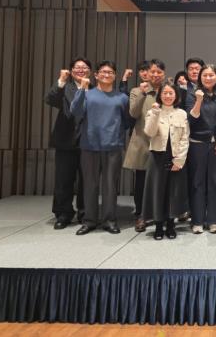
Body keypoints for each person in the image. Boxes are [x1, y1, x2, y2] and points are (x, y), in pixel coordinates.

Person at [71, 60, 130, 235]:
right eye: (103, 72)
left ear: (115, 76)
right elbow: (75, 112)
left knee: (110, 186)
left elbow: (127, 121)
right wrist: (82, 88)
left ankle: (109, 220)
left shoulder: (122, 98)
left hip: (113, 146)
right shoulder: (87, 94)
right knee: (90, 185)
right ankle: (89, 220)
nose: (106, 75)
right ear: (96, 75)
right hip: (89, 146)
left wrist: (115, 134)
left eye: (110, 72)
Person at [45, 57, 92, 229]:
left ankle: (85, 213)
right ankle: (63, 214)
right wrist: (61, 80)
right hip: (66, 140)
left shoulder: (95, 89)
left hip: (88, 142)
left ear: (90, 71)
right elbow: (50, 99)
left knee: (87, 181)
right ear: (71, 71)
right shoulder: (65, 87)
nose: (81, 70)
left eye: (84, 67)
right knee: (63, 180)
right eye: (77, 68)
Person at [123, 59, 167, 232]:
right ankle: (140, 215)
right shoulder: (137, 91)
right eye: (152, 71)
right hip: (143, 141)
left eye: (159, 72)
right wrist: (142, 93)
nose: (155, 75)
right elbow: (133, 113)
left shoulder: (167, 90)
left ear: (164, 74)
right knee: (141, 181)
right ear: (147, 73)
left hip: (163, 142)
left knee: (162, 180)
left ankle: (161, 213)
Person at [142, 83, 189, 240]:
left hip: (175, 156)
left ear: (176, 95)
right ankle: (158, 225)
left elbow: (185, 138)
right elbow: (149, 132)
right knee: (157, 191)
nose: (168, 96)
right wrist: (155, 113)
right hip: (157, 157)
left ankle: (170, 225)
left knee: (173, 192)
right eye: (165, 93)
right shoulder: (153, 111)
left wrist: (179, 160)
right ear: (160, 95)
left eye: (171, 93)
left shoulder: (181, 113)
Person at [186, 64, 216, 234]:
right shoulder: (192, 94)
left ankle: (214, 220)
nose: (208, 78)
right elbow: (191, 119)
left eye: (211, 75)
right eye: (205, 75)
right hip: (197, 144)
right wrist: (198, 100)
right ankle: (197, 220)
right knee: (197, 182)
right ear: (200, 77)